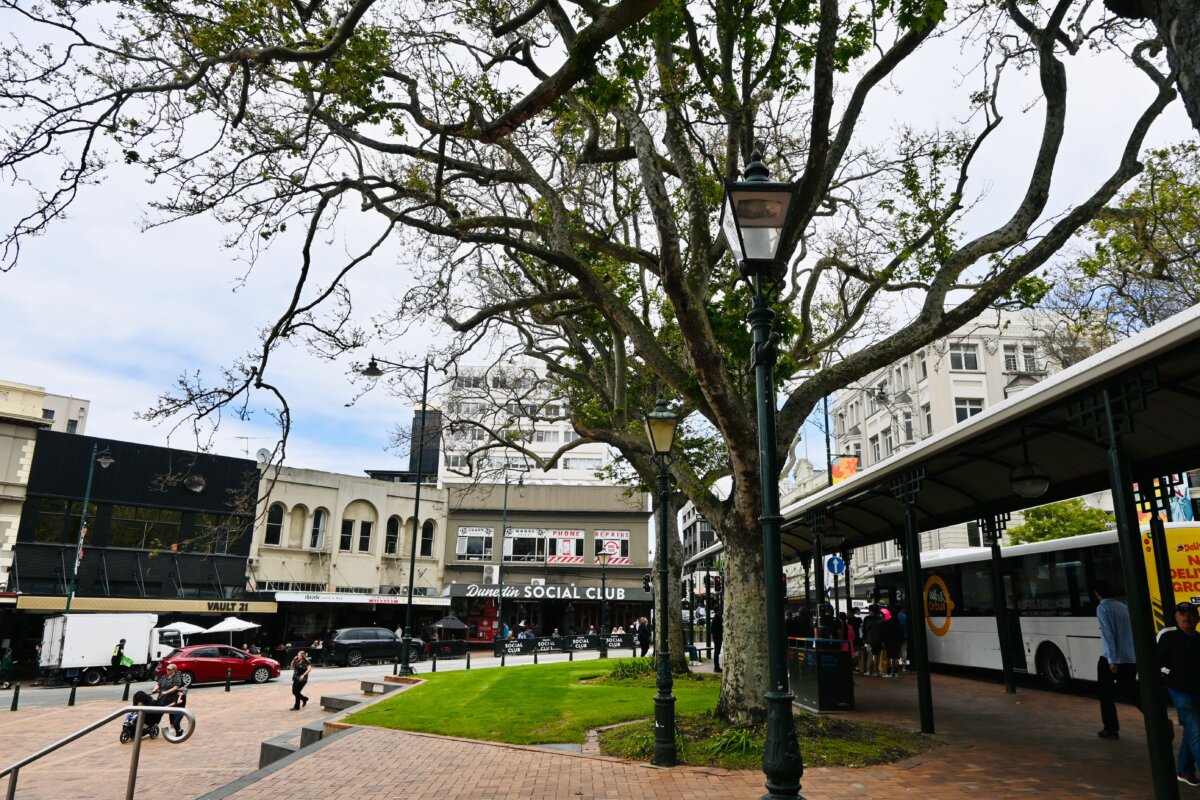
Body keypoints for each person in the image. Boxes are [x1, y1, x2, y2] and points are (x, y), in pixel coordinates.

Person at [1159, 601, 1200, 786]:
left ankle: (1184, 770)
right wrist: (1169, 675)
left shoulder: (1198, 639)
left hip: (1196, 690)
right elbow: (1156, 661)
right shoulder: (1169, 638)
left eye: (1190, 614)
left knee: (1192, 731)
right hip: (1178, 690)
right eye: (1182, 614)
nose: (1186, 618)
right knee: (1196, 731)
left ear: (1197, 618)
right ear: (1176, 617)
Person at [1094, 578, 1138, 740]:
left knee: (1105, 694)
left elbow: (1108, 634)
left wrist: (1112, 660)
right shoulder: (1122, 607)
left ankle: (1110, 729)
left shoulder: (1102, 608)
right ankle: (1158, 717)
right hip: (1129, 657)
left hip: (1110, 657)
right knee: (1131, 691)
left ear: (1097, 594)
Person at [154, 663, 187, 737]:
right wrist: (154, 690)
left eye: (169, 669)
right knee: (159, 711)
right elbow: (159, 684)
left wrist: (167, 692)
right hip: (163, 697)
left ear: (174, 670)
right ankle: (155, 725)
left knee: (174, 718)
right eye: (167, 668)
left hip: (173, 700)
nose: (167, 670)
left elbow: (176, 688)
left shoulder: (177, 677)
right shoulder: (164, 676)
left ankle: (177, 731)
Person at [711, 608, 724, 673]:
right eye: (720, 611)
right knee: (716, 652)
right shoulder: (716, 619)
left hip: (718, 637)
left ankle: (717, 667)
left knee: (717, 652)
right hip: (717, 638)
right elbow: (714, 629)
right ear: (717, 611)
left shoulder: (718, 618)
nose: (721, 612)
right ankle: (716, 667)